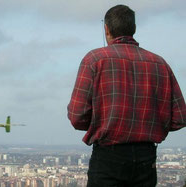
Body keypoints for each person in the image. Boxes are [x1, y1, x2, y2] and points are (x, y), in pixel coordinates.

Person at [67, 4, 186, 187]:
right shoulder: (160, 64)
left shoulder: (94, 60)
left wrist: (102, 124)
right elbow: (180, 117)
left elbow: (77, 116)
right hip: (146, 159)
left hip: (108, 157)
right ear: (133, 29)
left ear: (106, 29)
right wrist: (150, 126)